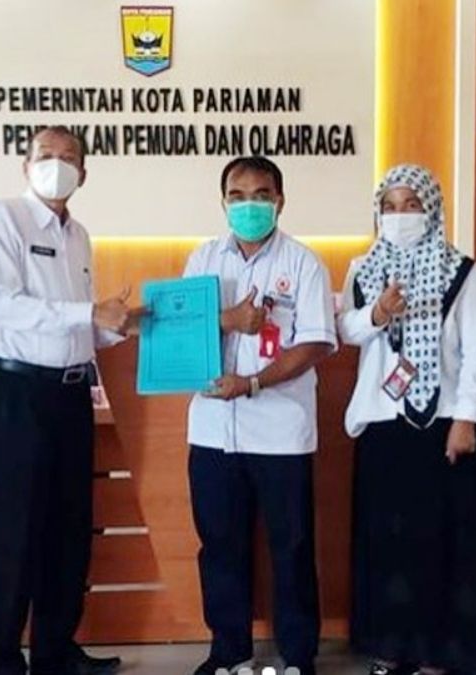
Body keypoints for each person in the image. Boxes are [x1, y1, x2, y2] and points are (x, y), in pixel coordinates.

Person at [0, 126, 129, 675]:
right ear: (26, 165)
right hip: (16, 396)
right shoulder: (4, 218)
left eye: (68, 158)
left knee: (68, 531)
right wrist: (90, 314)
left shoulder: (79, 235)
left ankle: (55, 653)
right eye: (45, 155)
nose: (56, 165)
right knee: (11, 535)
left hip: (70, 397)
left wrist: (120, 324)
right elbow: (3, 307)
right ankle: (0, 662)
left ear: (83, 174)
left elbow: (79, 324)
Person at [339, 164, 476, 675]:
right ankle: (391, 649)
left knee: (441, 541)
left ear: (431, 210)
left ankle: (438, 654)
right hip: (383, 423)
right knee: (388, 542)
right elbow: (347, 330)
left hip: (444, 424)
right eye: (390, 206)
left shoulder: (464, 272)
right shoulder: (363, 268)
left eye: (411, 204)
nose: (400, 214)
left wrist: (467, 418)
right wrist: (378, 314)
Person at [182, 156, 336, 675]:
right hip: (212, 432)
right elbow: (181, 333)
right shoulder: (202, 259)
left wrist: (252, 383)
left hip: (280, 433)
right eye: (238, 196)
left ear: (279, 201)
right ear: (224, 202)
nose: (249, 205)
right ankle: (229, 652)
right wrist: (228, 320)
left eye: (261, 195)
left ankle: (298, 656)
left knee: (291, 547)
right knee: (219, 546)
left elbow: (314, 343)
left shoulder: (304, 263)